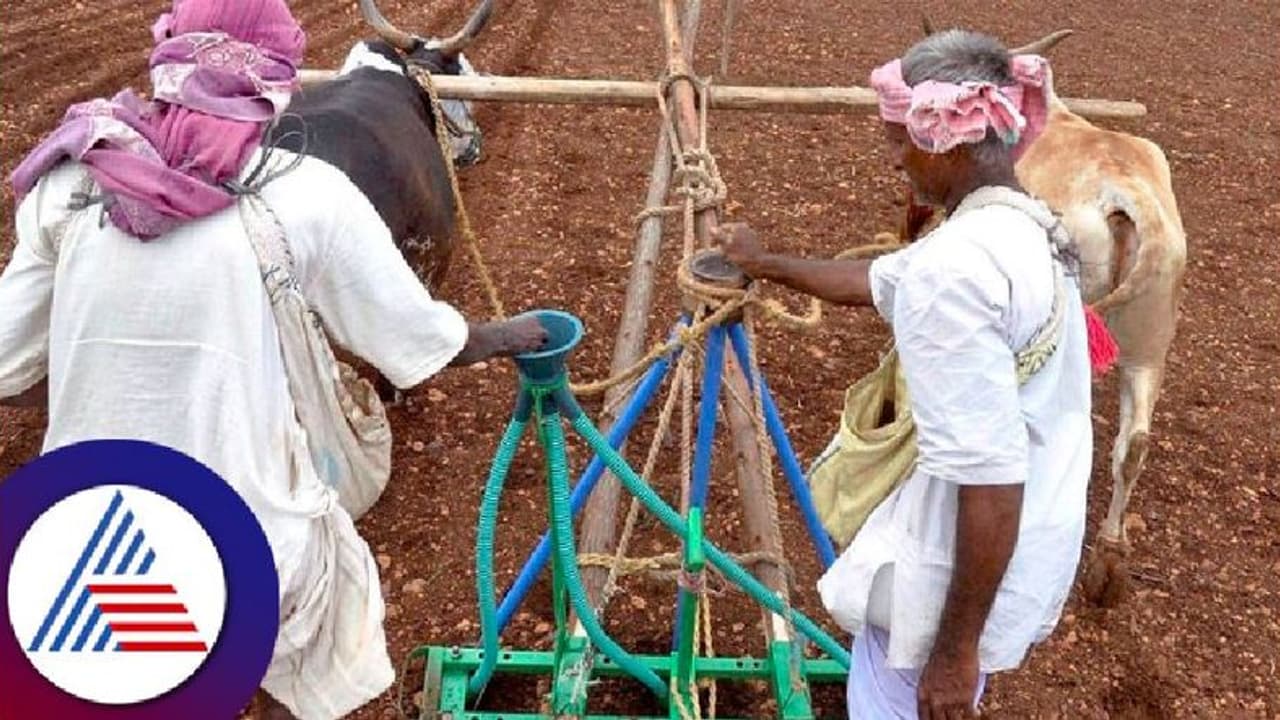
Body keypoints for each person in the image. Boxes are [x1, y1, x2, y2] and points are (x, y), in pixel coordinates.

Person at [0, 2, 544, 718]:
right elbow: (422, 346)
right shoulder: (309, 197)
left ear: (167, 57)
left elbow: (8, 366)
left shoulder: (69, 185)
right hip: (246, 550)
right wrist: (517, 333)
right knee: (298, 625)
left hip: (78, 530)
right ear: (280, 81)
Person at [713, 29, 1095, 719]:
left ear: (944, 136)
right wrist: (767, 263)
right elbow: (882, 279)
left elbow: (989, 478)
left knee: (895, 703)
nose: (894, 162)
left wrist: (953, 653)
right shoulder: (1023, 227)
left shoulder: (954, 273)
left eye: (899, 140)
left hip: (952, 577)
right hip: (1028, 539)